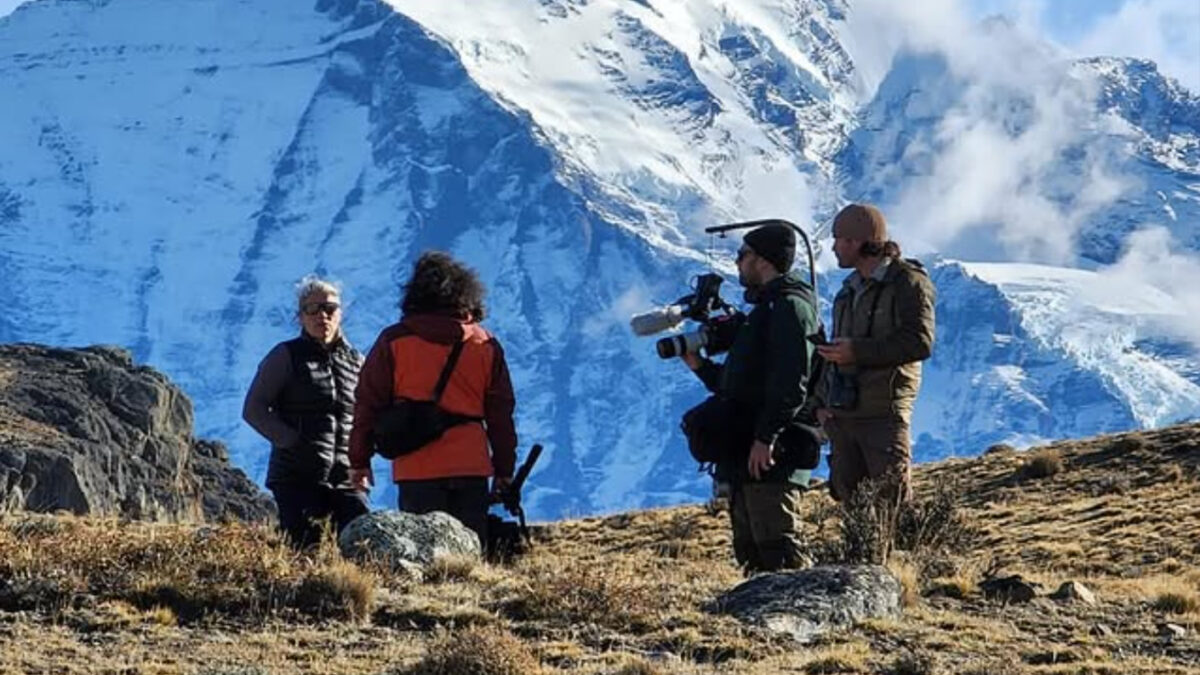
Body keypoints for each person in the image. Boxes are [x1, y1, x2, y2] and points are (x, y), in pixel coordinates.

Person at [348, 251, 517, 547]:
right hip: (471, 465)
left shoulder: (395, 341)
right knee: (470, 554)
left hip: (417, 467)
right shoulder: (485, 344)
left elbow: (368, 403)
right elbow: (501, 415)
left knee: (423, 555)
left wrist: (359, 460)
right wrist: (504, 470)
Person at [681, 223, 820, 573]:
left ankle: (798, 620)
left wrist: (766, 437)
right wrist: (699, 366)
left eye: (742, 255)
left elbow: (792, 381)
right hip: (746, 453)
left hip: (770, 455)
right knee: (752, 555)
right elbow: (738, 385)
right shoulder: (767, 309)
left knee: (779, 551)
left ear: (762, 260)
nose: (737, 262)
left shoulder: (789, 307)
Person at [814, 203, 936, 507]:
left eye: (838, 239)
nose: (833, 247)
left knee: (889, 504)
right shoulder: (847, 292)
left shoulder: (907, 282)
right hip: (844, 415)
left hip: (884, 414)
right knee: (851, 505)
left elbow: (919, 342)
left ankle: (894, 556)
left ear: (856, 242)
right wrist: (821, 404)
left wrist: (856, 351)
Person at [243, 275, 368, 550]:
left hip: (347, 479)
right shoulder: (286, 356)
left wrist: (362, 460)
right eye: (312, 309)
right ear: (300, 316)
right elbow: (254, 409)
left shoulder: (357, 362)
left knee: (359, 549)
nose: (321, 315)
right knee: (304, 553)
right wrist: (294, 443)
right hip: (296, 478)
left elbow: (366, 415)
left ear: (341, 313)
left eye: (330, 308)